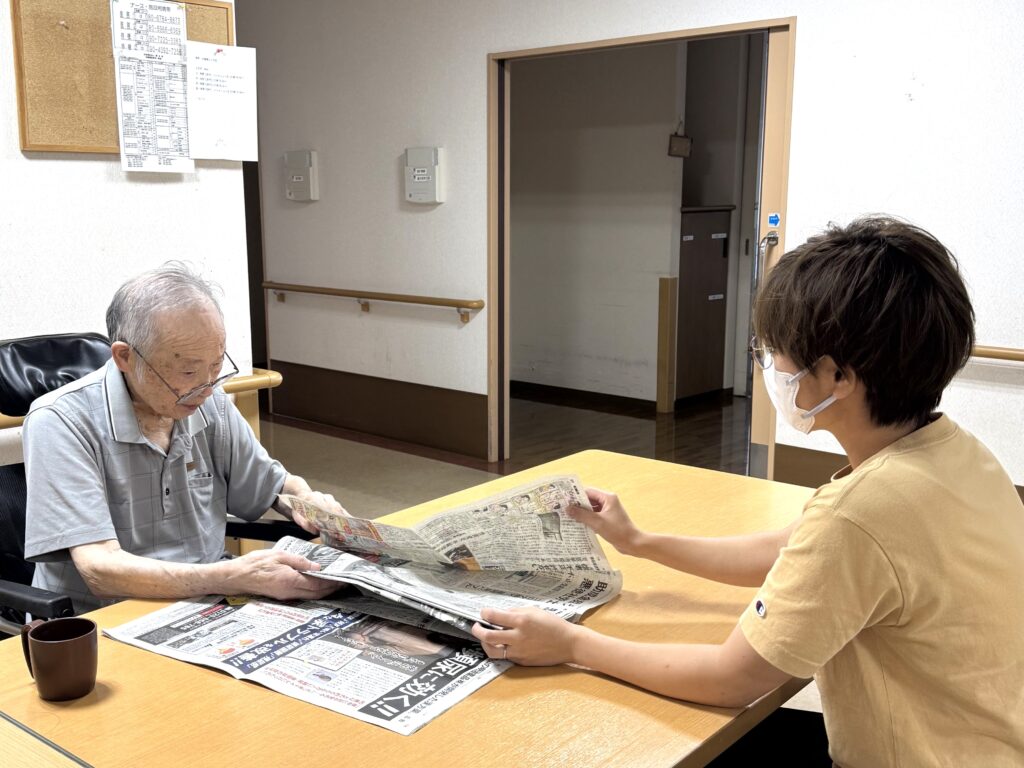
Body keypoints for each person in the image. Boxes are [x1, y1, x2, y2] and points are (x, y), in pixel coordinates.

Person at [471, 216, 1024, 766]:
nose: (769, 364)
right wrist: (639, 541)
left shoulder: (862, 513)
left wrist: (571, 645)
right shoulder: (956, 453)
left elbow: (731, 678)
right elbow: (788, 552)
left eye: (776, 349)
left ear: (836, 377)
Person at [23, 263, 344, 613]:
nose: (206, 387)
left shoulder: (210, 403)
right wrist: (230, 575)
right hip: (101, 619)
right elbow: (100, 569)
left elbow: (272, 486)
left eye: (216, 366)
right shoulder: (60, 421)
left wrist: (306, 499)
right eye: (189, 370)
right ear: (125, 357)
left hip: (207, 602)